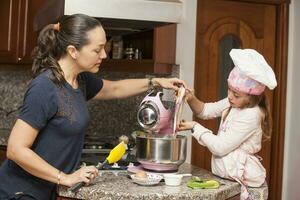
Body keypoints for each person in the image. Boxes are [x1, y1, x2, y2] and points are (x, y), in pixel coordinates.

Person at [0, 14, 185, 200]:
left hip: (42, 192)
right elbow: (16, 149)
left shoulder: (80, 81)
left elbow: (115, 88)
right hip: (18, 192)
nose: (104, 55)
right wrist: (64, 177)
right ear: (73, 51)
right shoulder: (45, 87)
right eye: (97, 50)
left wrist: (156, 81)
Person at [178, 49, 277, 200]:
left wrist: (194, 127)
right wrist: (191, 98)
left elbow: (220, 147)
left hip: (246, 187)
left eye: (236, 94)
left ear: (251, 98)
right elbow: (205, 110)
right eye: (229, 90)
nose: (230, 96)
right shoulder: (234, 103)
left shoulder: (251, 114)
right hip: (230, 181)